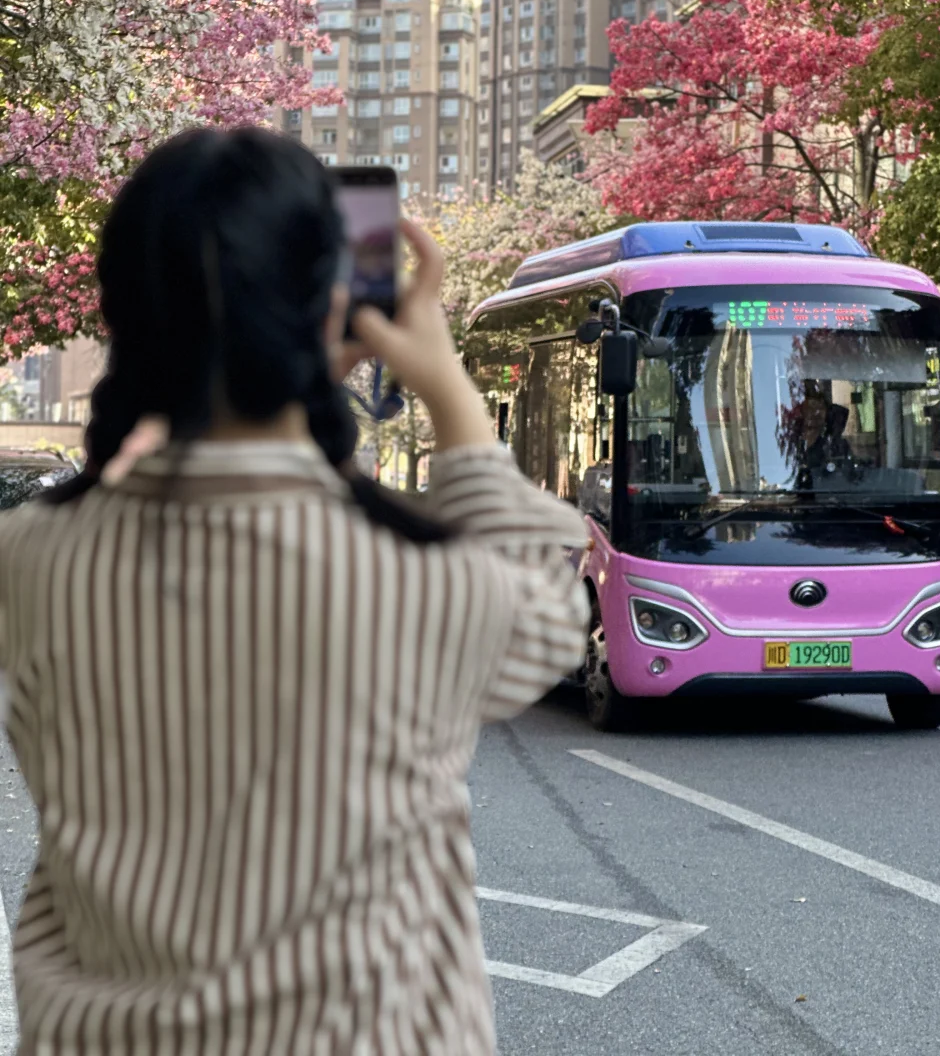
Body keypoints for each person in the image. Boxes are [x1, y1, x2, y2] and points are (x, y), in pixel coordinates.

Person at [0, 128, 587, 1054]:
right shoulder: (420, 579)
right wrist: (444, 386)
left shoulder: (32, 558)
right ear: (338, 311)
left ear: (125, 311)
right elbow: (556, 615)